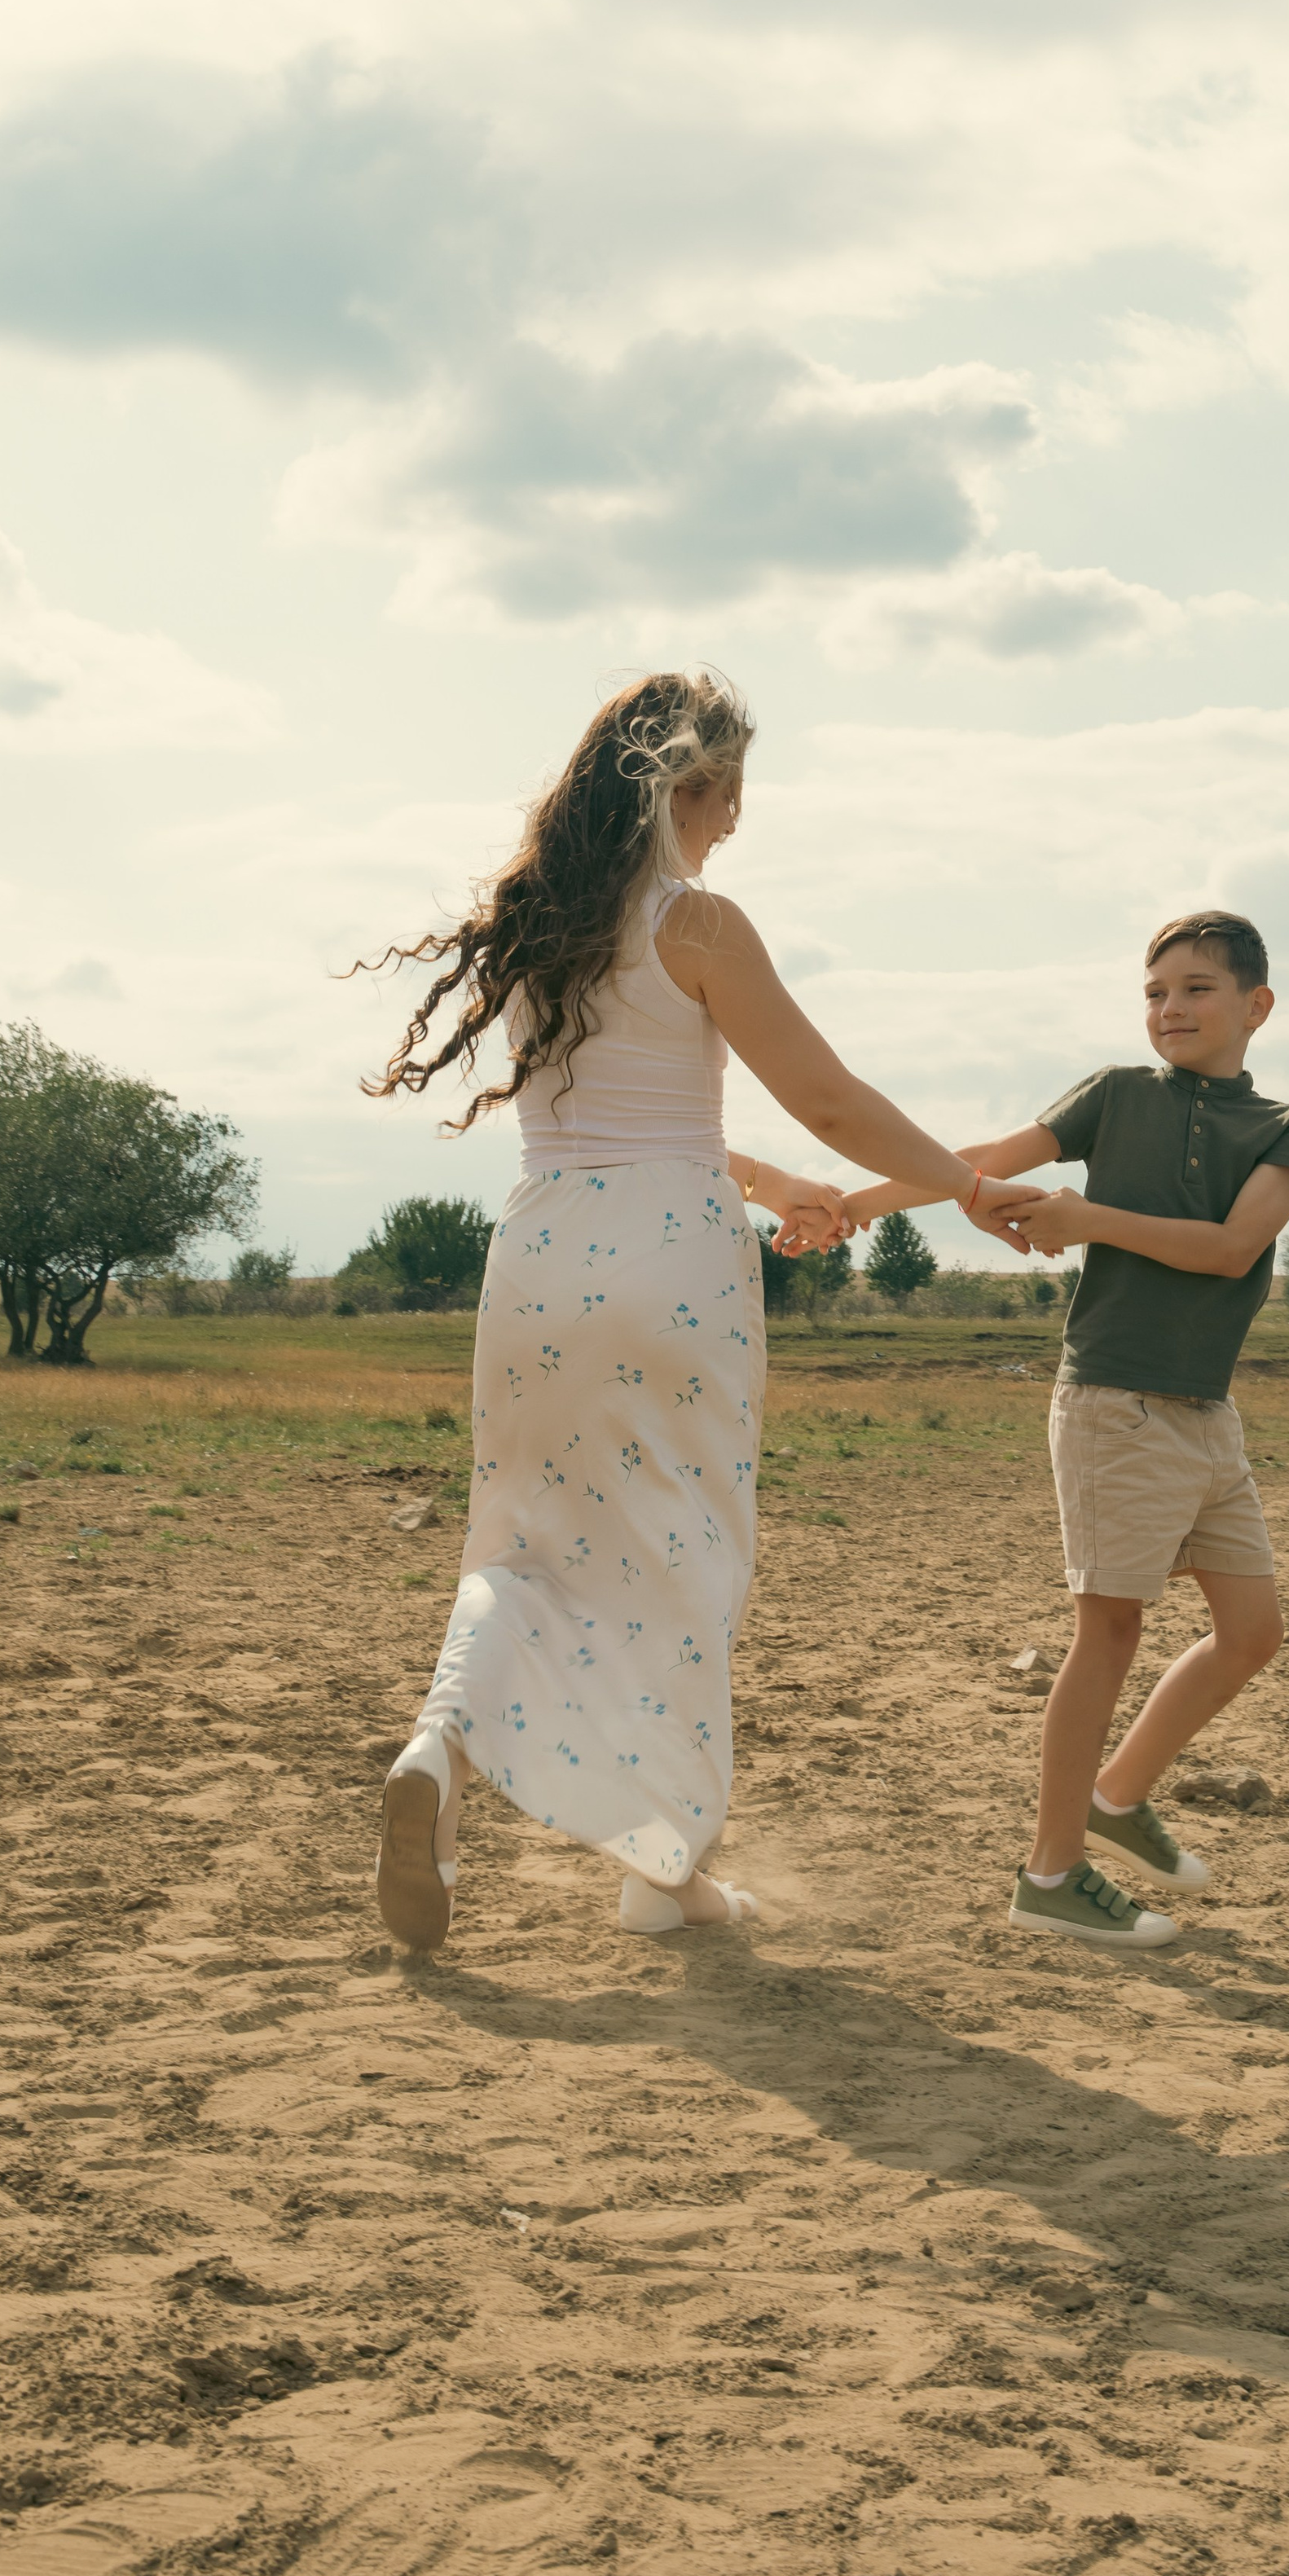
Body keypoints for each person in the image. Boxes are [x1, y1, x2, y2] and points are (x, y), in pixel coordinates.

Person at [356, 670, 1045, 1953]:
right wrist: (965, 1187)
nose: (736, 826)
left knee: (517, 1543)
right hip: (672, 1262)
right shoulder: (701, 924)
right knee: (677, 1555)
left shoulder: (537, 926)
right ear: (691, 786)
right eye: (733, 799)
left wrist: (775, 1182)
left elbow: (623, 1106)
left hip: (542, 1250)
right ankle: (664, 1876)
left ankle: (439, 1745)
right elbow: (829, 1098)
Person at [846, 911, 1289, 1948]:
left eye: (1196, 989)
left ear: (1256, 1007)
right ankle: (1051, 1876)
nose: (1170, 1009)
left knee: (1253, 1633)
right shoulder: (1114, 1094)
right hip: (1114, 1402)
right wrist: (852, 1204)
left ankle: (1117, 1798)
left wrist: (1088, 1219)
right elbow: (977, 1162)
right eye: (1154, 992)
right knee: (1109, 1632)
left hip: (1206, 1414)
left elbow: (1236, 1249)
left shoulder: (1286, 1127)